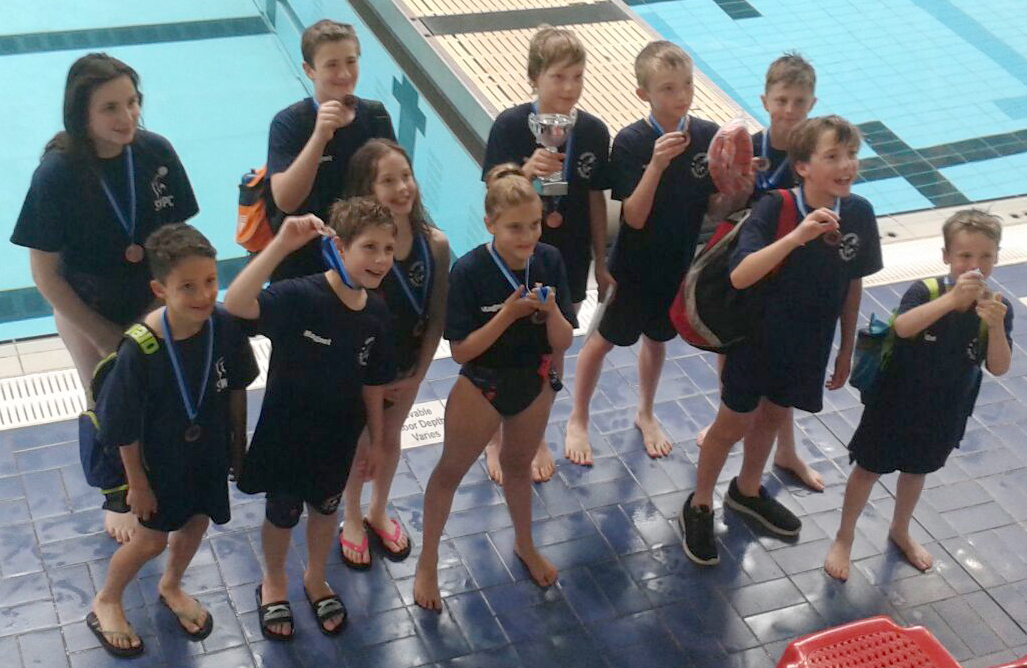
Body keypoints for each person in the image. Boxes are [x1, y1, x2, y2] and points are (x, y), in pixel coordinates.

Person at [11, 52, 198, 544]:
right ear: (83, 116)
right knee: (108, 400)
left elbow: (181, 240)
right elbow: (45, 275)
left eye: (133, 102)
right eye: (111, 108)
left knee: (159, 395)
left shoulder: (155, 153)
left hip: (152, 305)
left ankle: (150, 473)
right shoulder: (59, 174)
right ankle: (116, 495)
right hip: (88, 307)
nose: (127, 117)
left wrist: (173, 309)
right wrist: (106, 336)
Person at [680, 115, 883, 566]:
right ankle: (698, 503)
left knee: (773, 416)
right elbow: (739, 274)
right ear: (804, 166)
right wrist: (798, 235)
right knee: (731, 425)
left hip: (808, 342)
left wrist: (846, 347)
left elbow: (852, 284)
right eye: (832, 156)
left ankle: (747, 490)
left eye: (851, 155)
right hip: (755, 340)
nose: (846, 165)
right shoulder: (776, 207)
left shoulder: (860, 213)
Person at [225, 198, 395, 640]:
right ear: (338, 246)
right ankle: (275, 580)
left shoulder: (376, 313)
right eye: (369, 247)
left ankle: (316, 577)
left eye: (388, 249)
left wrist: (376, 441)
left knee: (325, 512)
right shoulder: (301, 296)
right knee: (281, 513)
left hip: (337, 440)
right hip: (287, 434)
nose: (381, 260)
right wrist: (281, 243)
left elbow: (373, 384)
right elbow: (237, 304)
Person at [563, 41, 740, 465]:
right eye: (667, 89)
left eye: (686, 86)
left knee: (657, 339)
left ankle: (645, 411)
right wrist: (657, 166)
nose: (681, 97)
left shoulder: (708, 136)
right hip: (632, 267)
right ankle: (578, 418)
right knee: (600, 343)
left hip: (678, 264)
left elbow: (714, 208)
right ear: (644, 94)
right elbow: (635, 218)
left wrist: (735, 188)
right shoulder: (632, 142)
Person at [88, 224, 256, 658]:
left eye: (211, 281)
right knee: (149, 540)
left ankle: (172, 584)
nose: (204, 295)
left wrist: (237, 449)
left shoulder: (222, 324)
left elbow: (237, 387)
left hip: (207, 453)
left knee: (198, 519)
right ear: (159, 289)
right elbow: (122, 428)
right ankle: (106, 600)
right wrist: (137, 485)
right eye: (187, 286)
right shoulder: (140, 350)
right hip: (157, 463)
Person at [413, 165, 577, 611]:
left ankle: (525, 543)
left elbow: (563, 341)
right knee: (450, 471)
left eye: (534, 225)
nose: (527, 237)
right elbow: (463, 352)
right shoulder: (469, 272)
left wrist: (551, 315)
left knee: (519, 467)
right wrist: (507, 314)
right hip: (481, 386)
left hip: (533, 382)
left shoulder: (549, 260)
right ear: (490, 225)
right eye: (514, 227)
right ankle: (427, 562)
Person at [824, 210, 1012, 581]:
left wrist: (995, 327)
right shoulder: (925, 291)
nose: (974, 266)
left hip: (945, 410)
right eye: (964, 257)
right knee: (867, 469)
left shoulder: (995, 308)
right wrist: (951, 301)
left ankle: (900, 528)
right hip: (894, 404)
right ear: (946, 256)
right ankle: (844, 537)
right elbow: (905, 327)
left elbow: (999, 366)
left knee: (917, 471)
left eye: (985, 257)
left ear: (996, 257)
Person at [481, 25, 611, 483]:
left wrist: (601, 260)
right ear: (535, 77)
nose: (570, 88)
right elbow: (493, 196)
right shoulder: (511, 126)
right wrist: (525, 172)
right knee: (504, 346)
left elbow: (596, 198)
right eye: (559, 77)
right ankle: (495, 438)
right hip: (516, 256)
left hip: (569, 257)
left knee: (553, 348)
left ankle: (534, 433)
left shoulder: (592, 131)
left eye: (577, 76)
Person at [695, 52, 826, 491]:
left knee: (782, 374)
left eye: (799, 102)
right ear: (765, 100)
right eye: (782, 100)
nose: (790, 111)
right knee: (731, 352)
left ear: (812, 104)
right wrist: (738, 190)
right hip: (747, 272)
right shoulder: (746, 147)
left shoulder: (817, 157)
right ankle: (725, 422)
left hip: (793, 278)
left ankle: (786, 450)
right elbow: (718, 214)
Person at [337, 140, 449, 569]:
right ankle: (350, 515)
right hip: (360, 374)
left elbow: (436, 317)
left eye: (406, 176)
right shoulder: (355, 251)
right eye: (389, 180)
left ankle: (378, 509)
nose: (403, 187)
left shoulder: (433, 244)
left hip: (404, 371)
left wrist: (418, 375)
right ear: (367, 191)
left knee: (390, 438)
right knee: (361, 444)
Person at [265, 19, 396, 281]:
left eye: (351, 61)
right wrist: (319, 137)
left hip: (364, 262)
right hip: (303, 263)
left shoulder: (375, 117)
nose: (345, 74)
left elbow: (398, 189)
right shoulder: (289, 123)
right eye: (332, 65)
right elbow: (286, 201)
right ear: (309, 70)